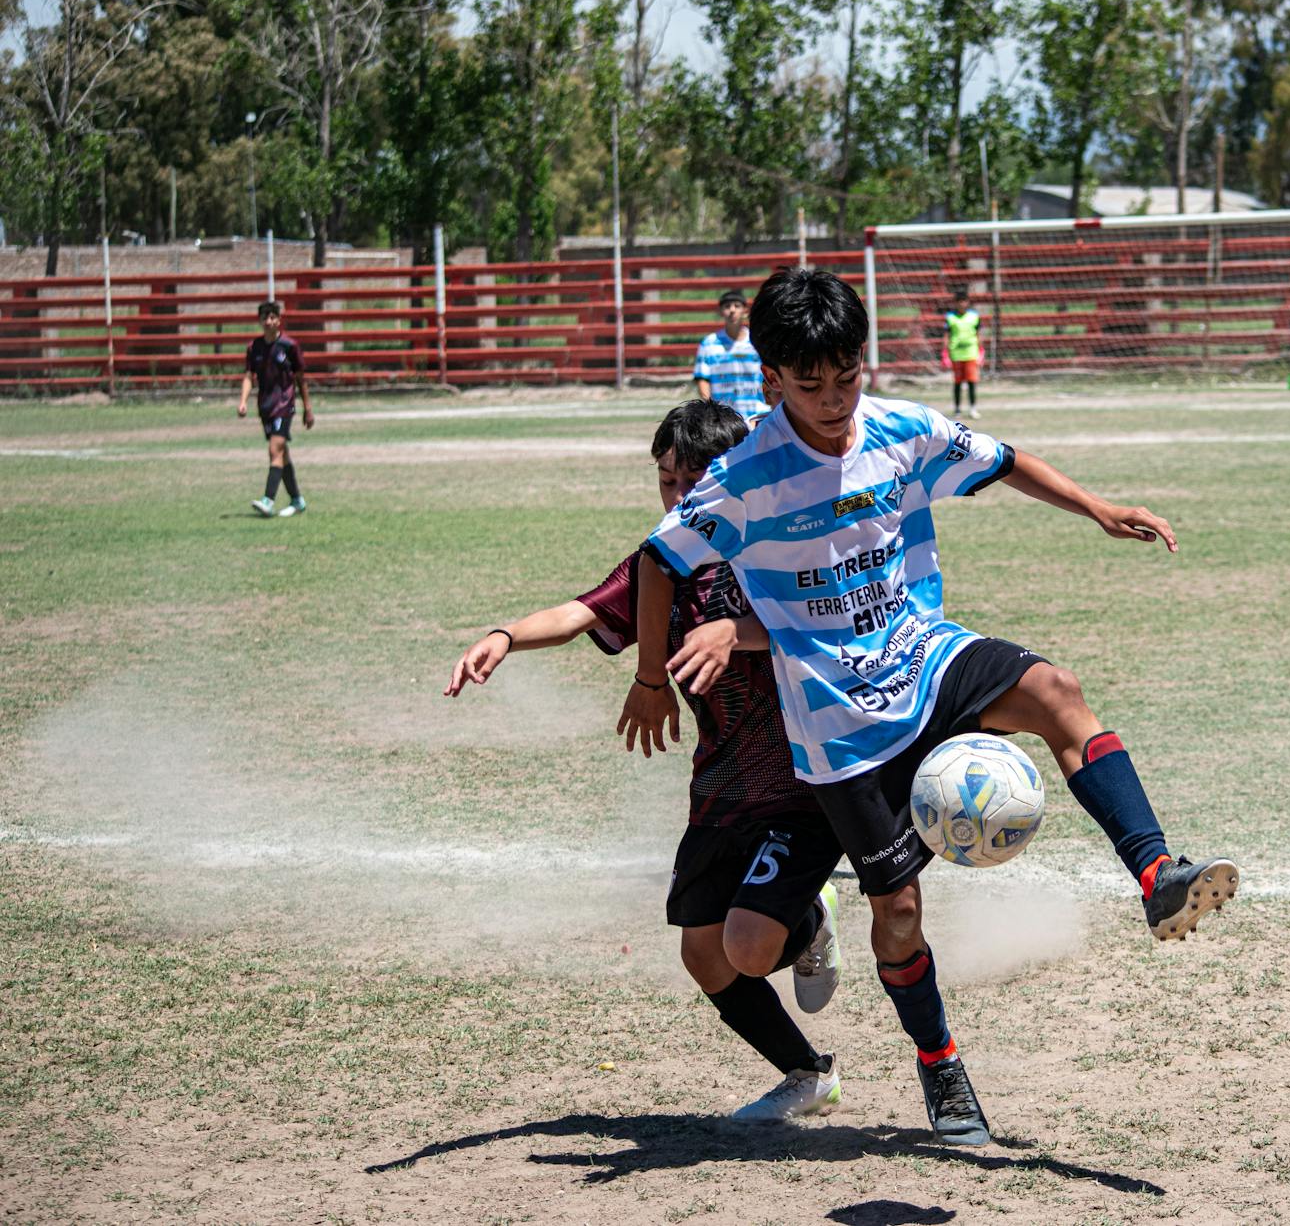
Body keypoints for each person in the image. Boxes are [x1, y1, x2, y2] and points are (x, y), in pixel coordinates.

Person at [621, 268, 1238, 1148]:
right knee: (897, 914)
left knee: (1057, 691)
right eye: (811, 385)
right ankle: (940, 1064)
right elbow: (656, 561)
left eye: (848, 376)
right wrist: (652, 678)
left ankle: (1156, 875)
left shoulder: (902, 429)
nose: (835, 401)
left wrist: (1095, 506)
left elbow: (1003, 459)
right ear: (769, 381)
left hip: (925, 654)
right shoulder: (744, 477)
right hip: (840, 725)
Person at [445, 400, 846, 1121]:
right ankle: (805, 1072)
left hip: (801, 780)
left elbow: (823, 627)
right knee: (704, 953)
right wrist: (505, 635)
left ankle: (807, 916)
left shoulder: (781, 544)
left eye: (691, 481)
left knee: (750, 942)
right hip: (722, 782)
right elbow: (579, 613)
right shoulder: (661, 564)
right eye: (665, 480)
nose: (677, 497)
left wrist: (735, 632)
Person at [236, 300, 312, 517]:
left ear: (279, 320)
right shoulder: (254, 348)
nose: (268, 322)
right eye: (264, 318)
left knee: (274, 450)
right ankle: (297, 500)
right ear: (259, 321)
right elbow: (249, 377)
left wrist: (307, 408)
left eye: (272, 317)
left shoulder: (290, 346)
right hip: (265, 407)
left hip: (284, 405)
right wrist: (243, 401)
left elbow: (301, 379)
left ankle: (268, 501)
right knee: (282, 454)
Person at [692, 290, 767, 423]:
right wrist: (711, 409)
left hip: (757, 413)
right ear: (720, 311)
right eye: (727, 306)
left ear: (745, 310)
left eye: (737, 306)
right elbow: (702, 379)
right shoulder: (709, 343)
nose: (732, 310)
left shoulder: (758, 340)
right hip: (724, 417)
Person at [943, 286, 982, 419]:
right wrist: (945, 353)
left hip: (971, 353)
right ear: (955, 303)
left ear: (968, 302)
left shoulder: (974, 316)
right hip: (956, 354)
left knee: (972, 382)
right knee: (957, 383)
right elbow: (946, 335)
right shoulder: (950, 317)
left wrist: (981, 351)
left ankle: (973, 408)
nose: (962, 304)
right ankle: (957, 409)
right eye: (959, 301)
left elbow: (978, 334)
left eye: (964, 301)